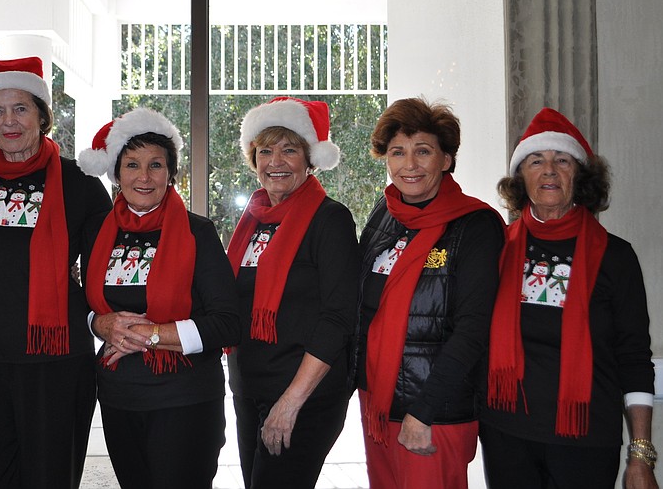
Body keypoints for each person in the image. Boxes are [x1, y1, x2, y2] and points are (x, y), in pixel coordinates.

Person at [0, 57, 112, 488]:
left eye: (20, 108)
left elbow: (109, 261)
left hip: (55, 363)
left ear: (42, 114)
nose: (9, 121)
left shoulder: (79, 183)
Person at [480, 107, 658, 489]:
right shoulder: (494, 247)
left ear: (580, 176)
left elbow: (634, 356)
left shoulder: (616, 256)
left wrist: (640, 452)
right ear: (519, 177)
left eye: (562, 160)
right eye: (535, 160)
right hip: (505, 432)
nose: (548, 170)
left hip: (587, 439)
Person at [76, 107, 240, 488]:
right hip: (118, 397)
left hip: (185, 400)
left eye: (156, 165)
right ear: (116, 173)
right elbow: (84, 302)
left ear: (171, 173)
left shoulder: (198, 232)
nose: (144, 177)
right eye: (132, 165)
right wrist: (99, 323)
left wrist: (149, 335)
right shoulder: (97, 231)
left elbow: (227, 324)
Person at [356, 97, 505, 488]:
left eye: (423, 151)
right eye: (397, 152)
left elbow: (473, 329)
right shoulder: (384, 214)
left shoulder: (475, 225)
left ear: (446, 159)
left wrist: (424, 412)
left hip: (434, 412)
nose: (410, 165)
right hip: (378, 404)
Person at [225, 97, 359, 488]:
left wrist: (290, 402)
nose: (275, 161)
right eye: (265, 150)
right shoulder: (253, 219)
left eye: (289, 149)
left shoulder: (329, 219)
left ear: (309, 158)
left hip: (302, 397)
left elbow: (338, 318)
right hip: (251, 390)